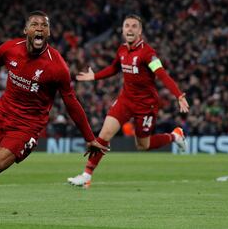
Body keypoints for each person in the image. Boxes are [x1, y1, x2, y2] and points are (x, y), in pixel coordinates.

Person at [0, 10, 108, 219]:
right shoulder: (11, 48)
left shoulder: (57, 66)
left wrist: (90, 138)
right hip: (1, 113)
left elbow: (71, 103)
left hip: (27, 126)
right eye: (34, 24)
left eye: (44, 25)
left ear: (48, 33)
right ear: (26, 30)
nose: (39, 28)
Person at [67, 14, 190, 188]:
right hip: (125, 100)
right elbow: (114, 68)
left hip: (146, 105)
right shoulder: (122, 50)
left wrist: (178, 95)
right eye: (127, 26)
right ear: (123, 30)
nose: (130, 29)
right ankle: (86, 176)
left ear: (140, 31)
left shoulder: (148, 53)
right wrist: (95, 76)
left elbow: (161, 74)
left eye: (134, 26)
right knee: (104, 135)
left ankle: (174, 136)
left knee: (143, 145)